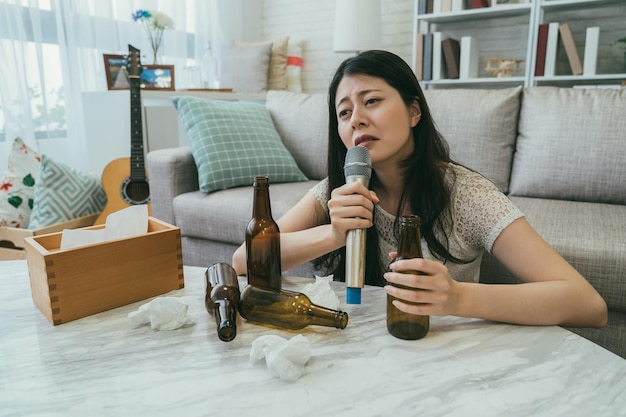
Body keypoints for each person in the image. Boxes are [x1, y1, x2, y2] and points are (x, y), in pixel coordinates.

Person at [232, 50, 607, 328]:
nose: (356, 119)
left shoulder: (467, 195)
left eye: (372, 101)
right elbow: (243, 262)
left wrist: (457, 296)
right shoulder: (339, 189)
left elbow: (588, 304)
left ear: (415, 112)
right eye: (343, 113)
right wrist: (333, 233)